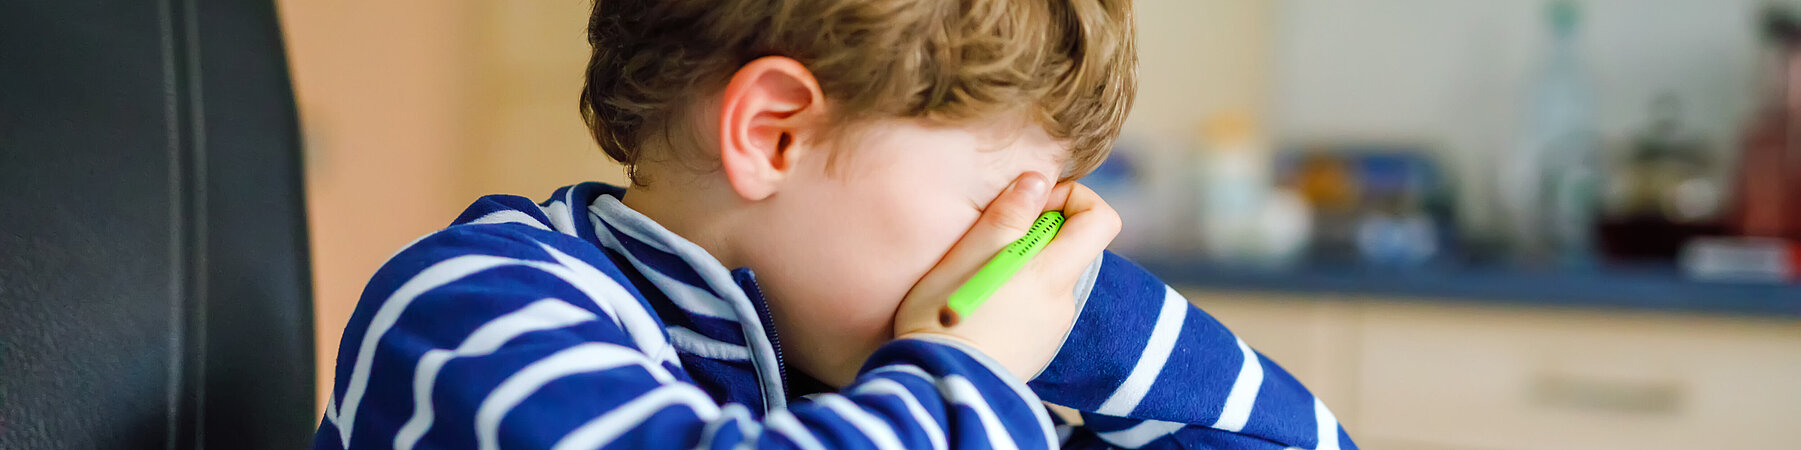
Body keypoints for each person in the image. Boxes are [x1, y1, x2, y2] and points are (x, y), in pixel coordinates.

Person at [314, 0, 1354, 448]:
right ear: (773, 135)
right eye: (994, 206)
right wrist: (973, 370)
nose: (1004, 248)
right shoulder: (470, 312)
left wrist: (1077, 310)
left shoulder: (900, 375)